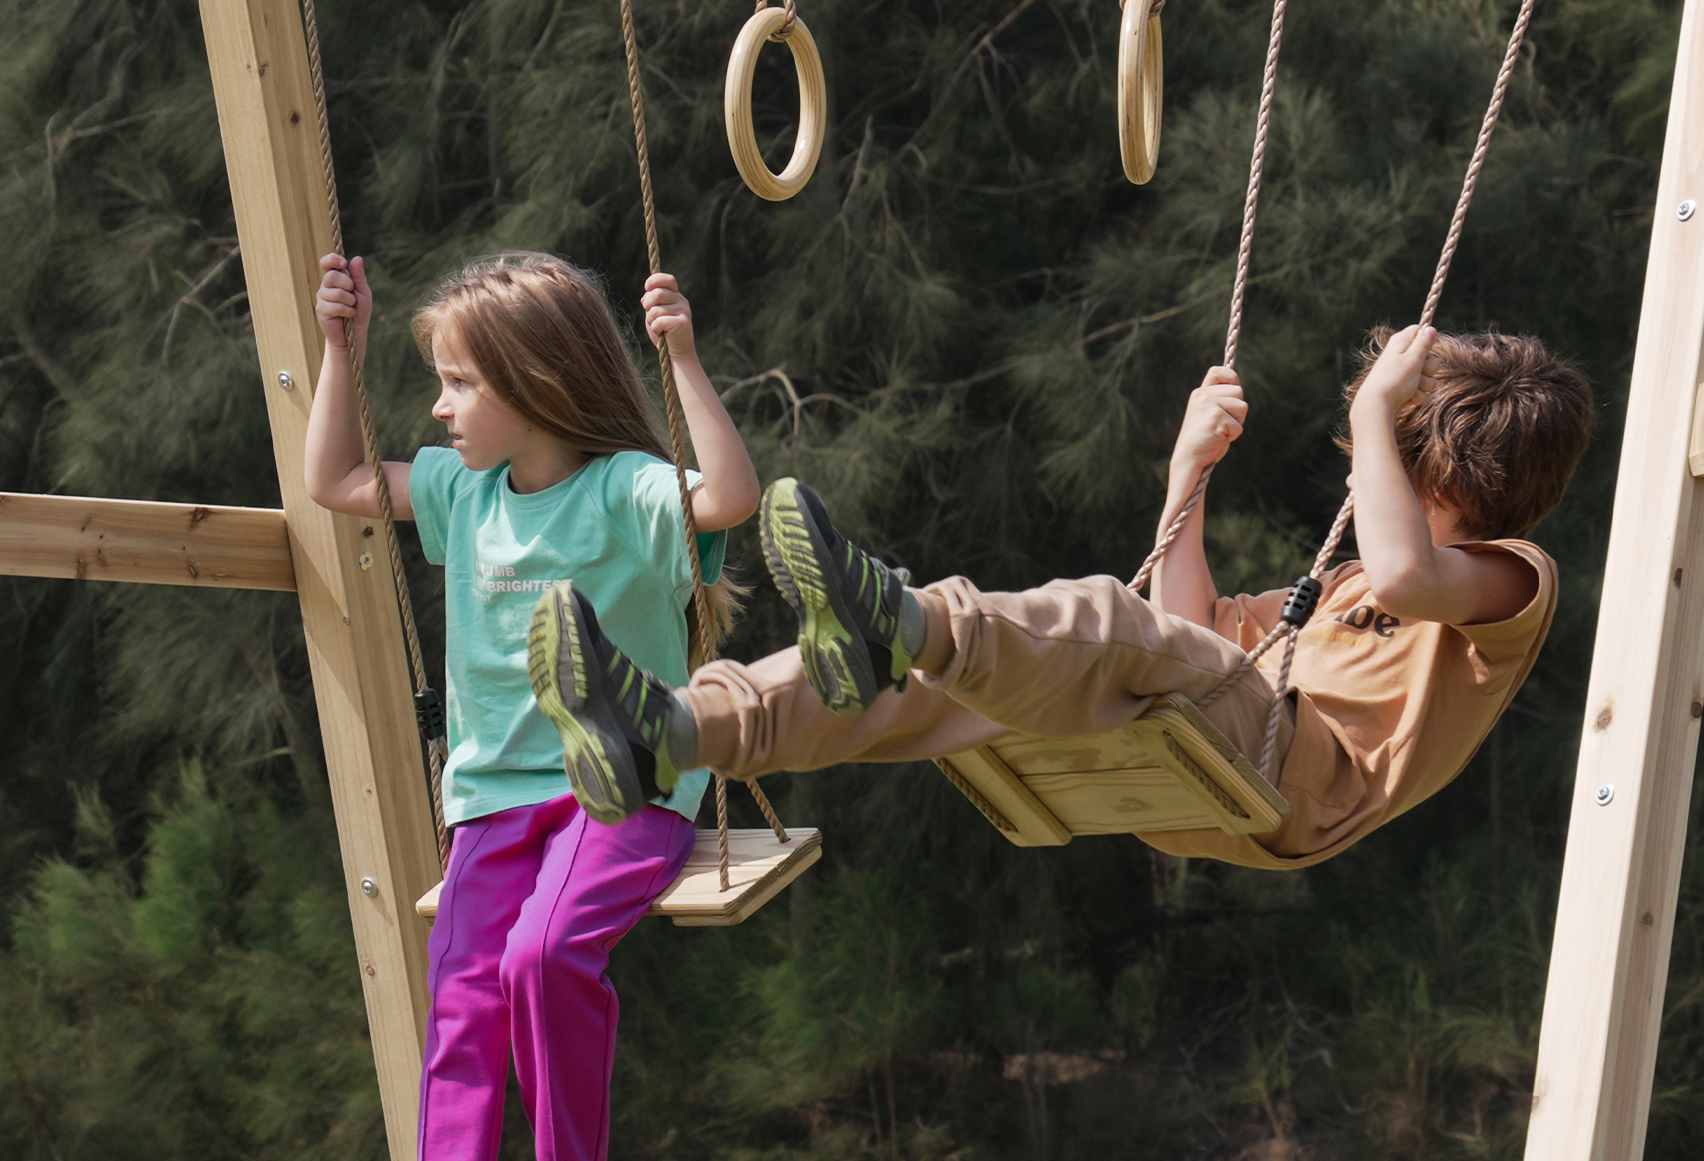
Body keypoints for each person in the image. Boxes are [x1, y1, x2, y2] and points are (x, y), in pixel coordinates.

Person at [528, 323, 1593, 873]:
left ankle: (900, 621)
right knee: (951, 683)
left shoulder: (1507, 581)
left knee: (1093, 621)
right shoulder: (1348, 583)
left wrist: (1374, 414)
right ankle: (673, 732)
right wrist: (1187, 479)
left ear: (1440, 477)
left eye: (1378, 464)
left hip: (1293, 780)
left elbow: (1410, 573)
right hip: (1221, 756)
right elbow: (1189, 634)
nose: (1357, 481)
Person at [304, 248, 755, 1161]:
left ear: (537, 379)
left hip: (622, 790)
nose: (440, 406)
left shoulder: (625, 491)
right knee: (462, 1012)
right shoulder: (464, 494)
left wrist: (684, 360)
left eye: (461, 383)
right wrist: (336, 348)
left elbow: (731, 497)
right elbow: (336, 480)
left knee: (542, 958)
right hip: (491, 803)